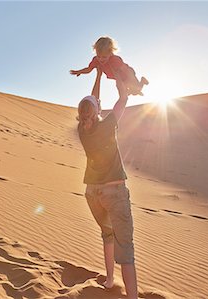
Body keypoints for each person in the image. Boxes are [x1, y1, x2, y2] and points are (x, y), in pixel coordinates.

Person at [77, 68, 138, 298]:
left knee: (107, 235)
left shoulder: (82, 129)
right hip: (114, 193)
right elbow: (123, 98)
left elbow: (93, 103)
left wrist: (99, 75)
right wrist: (119, 78)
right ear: (98, 110)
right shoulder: (109, 123)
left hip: (93, 194)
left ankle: (110, 279)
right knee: (126, 249)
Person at [70, 36, 148, 96]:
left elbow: (127, 71)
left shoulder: (115, 60)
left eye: (104, 57)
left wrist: (132, 81)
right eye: (98, 56)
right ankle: (133, 91)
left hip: (127, 74)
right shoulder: (96, 60)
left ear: (110, 53)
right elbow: (89, 69)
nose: (101, 59)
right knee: (128, 91)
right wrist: (79, 71)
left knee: (135, 89)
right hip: (119, 78)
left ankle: (142, 82)